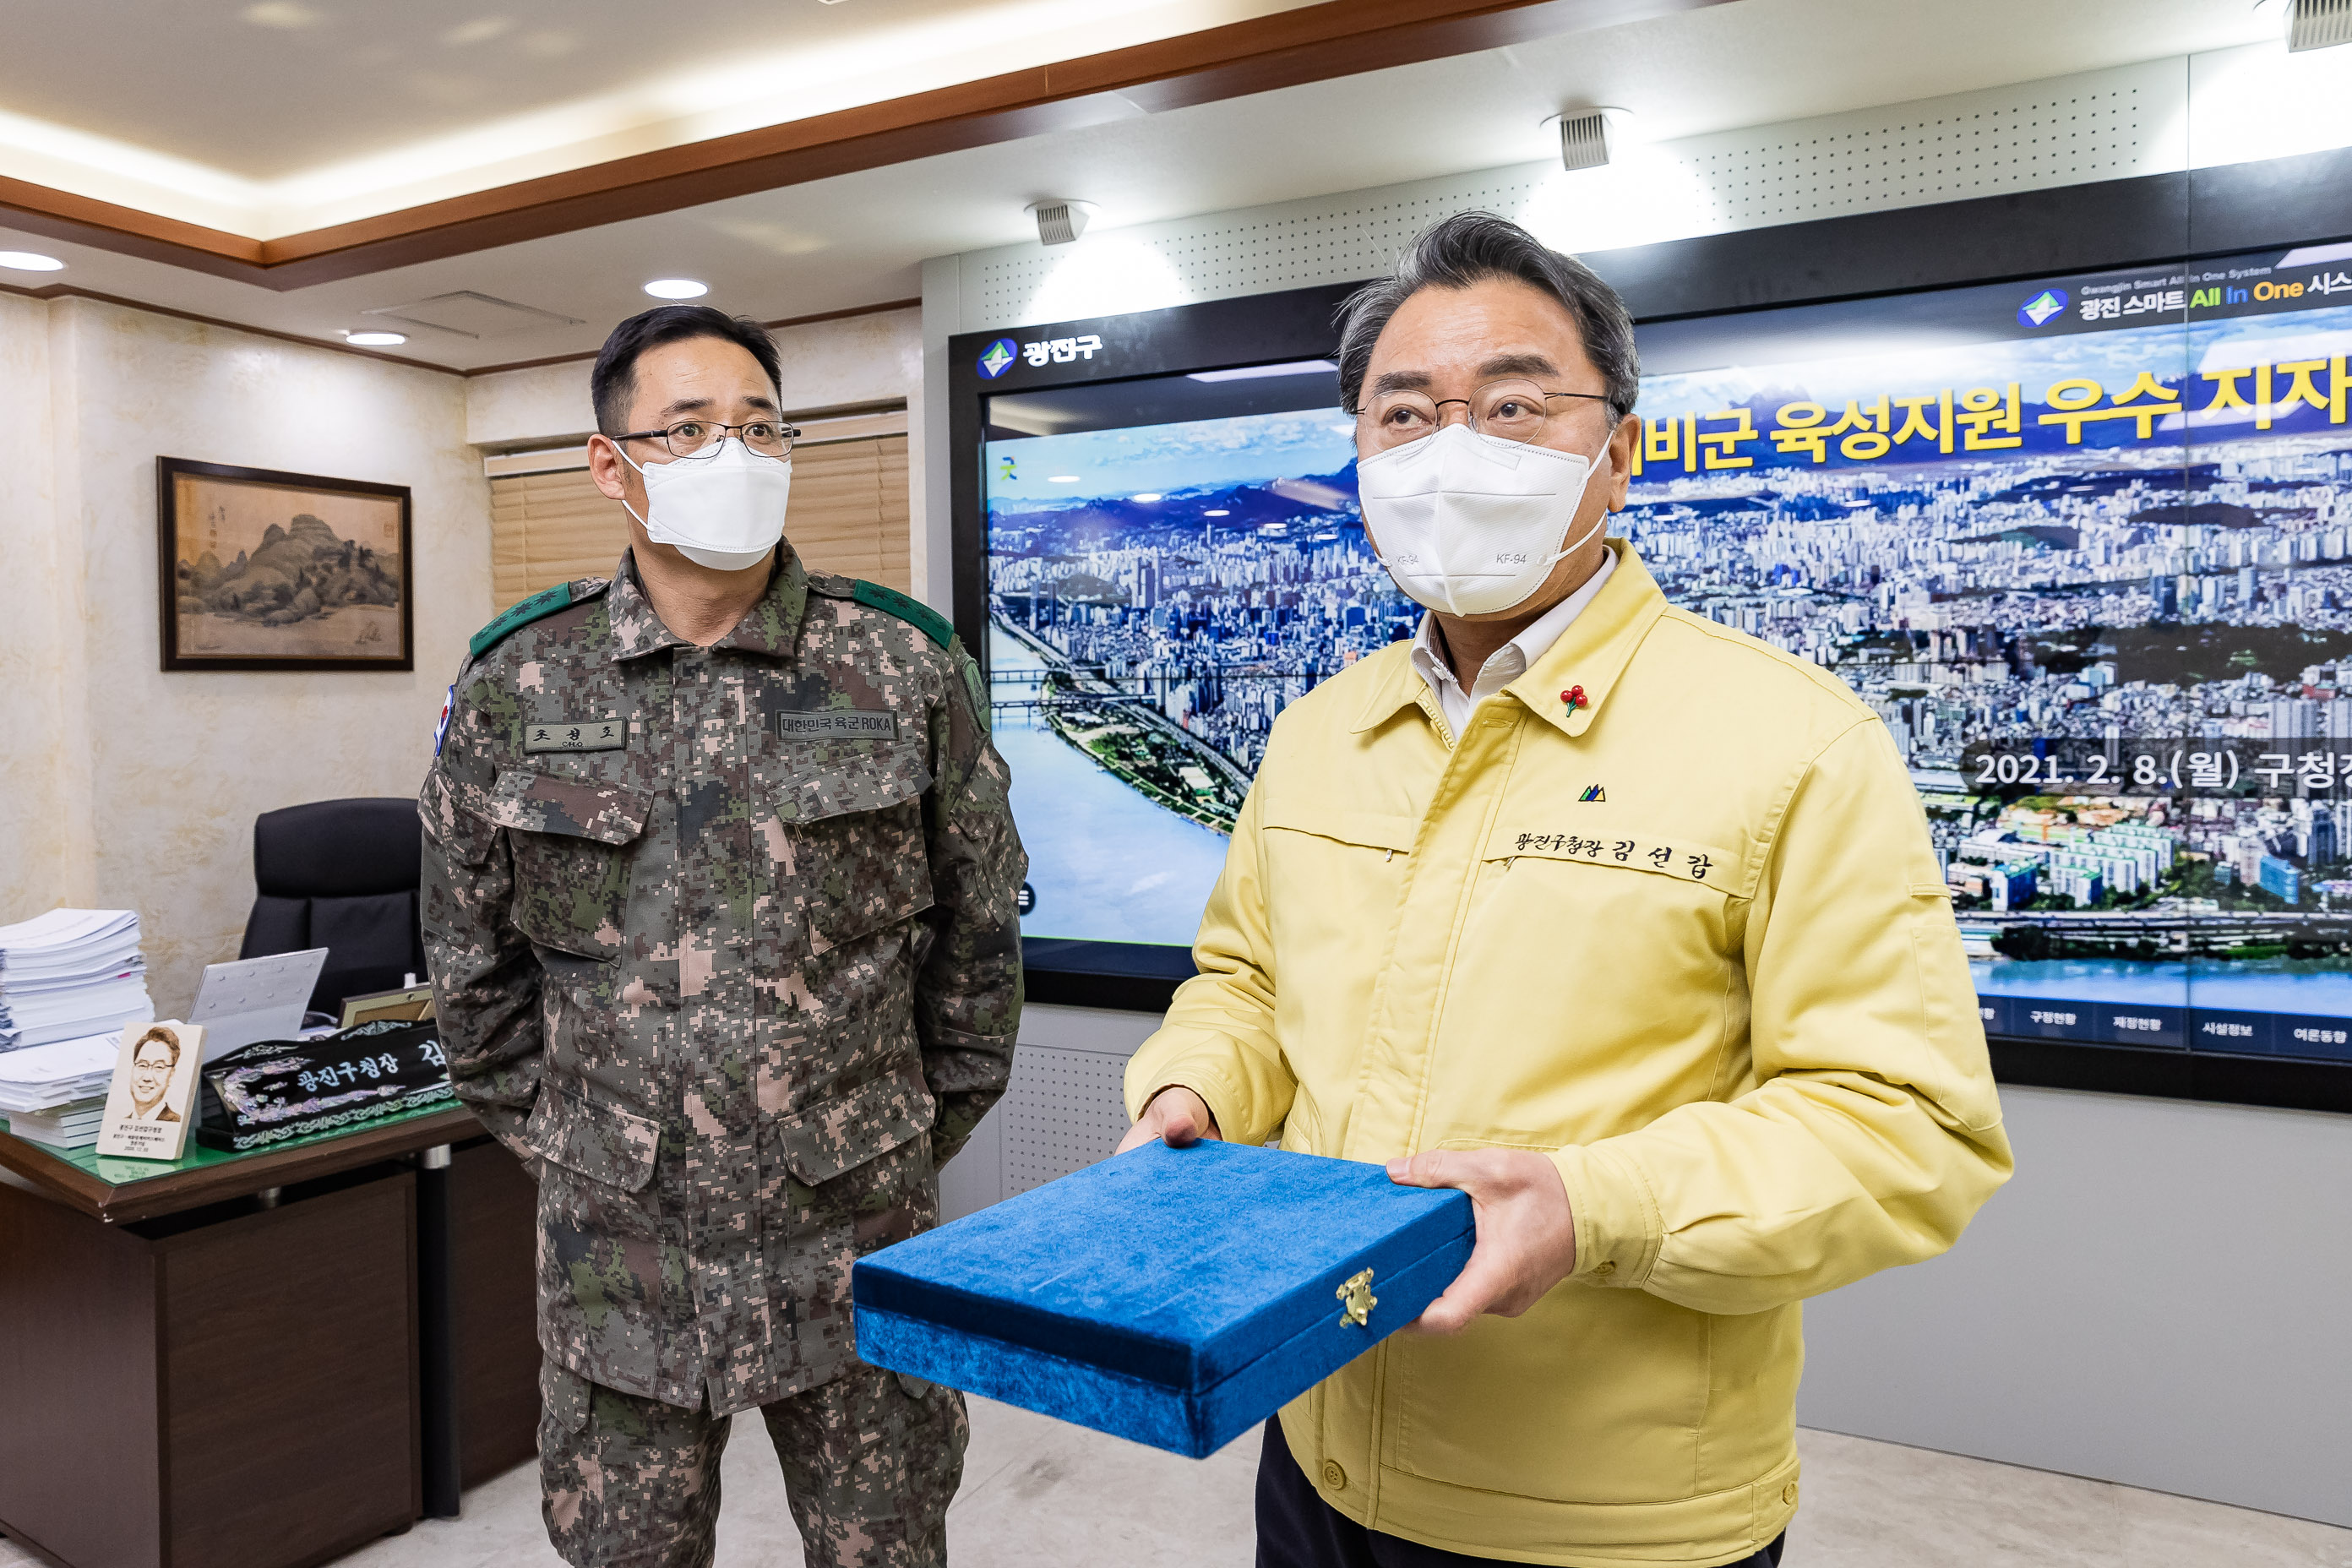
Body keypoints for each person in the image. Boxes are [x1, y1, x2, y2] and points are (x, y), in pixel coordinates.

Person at [1118, 212, 2012, 1568]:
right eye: (1405, 414)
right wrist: (1194, 1089)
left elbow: (1906, 1129)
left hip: (1611, 1514)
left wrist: (1596, 1208)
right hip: (1315, 1442)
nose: (1452, 452)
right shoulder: (1319, 729)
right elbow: (1246, 980)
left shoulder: (1790, 742)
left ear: (1620, 450)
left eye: (1515, 406)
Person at [420, 303, 1026, 1568]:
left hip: (858, 1234)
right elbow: (470, 963)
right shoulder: (518, 683)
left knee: (887, 1545)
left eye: (759, 426)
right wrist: (583, 1140)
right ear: (611, 464)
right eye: (688, 430)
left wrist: (891, 1134)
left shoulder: (900, 666)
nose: (732, 454)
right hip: (618, 1255)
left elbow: (978, 944)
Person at [126, 1026, 182, 1121]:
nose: (147, 1077)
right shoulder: (118, 1124)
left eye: (159, 1067)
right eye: (142, 1065)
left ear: (171, 1075)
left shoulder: (177, 1123)